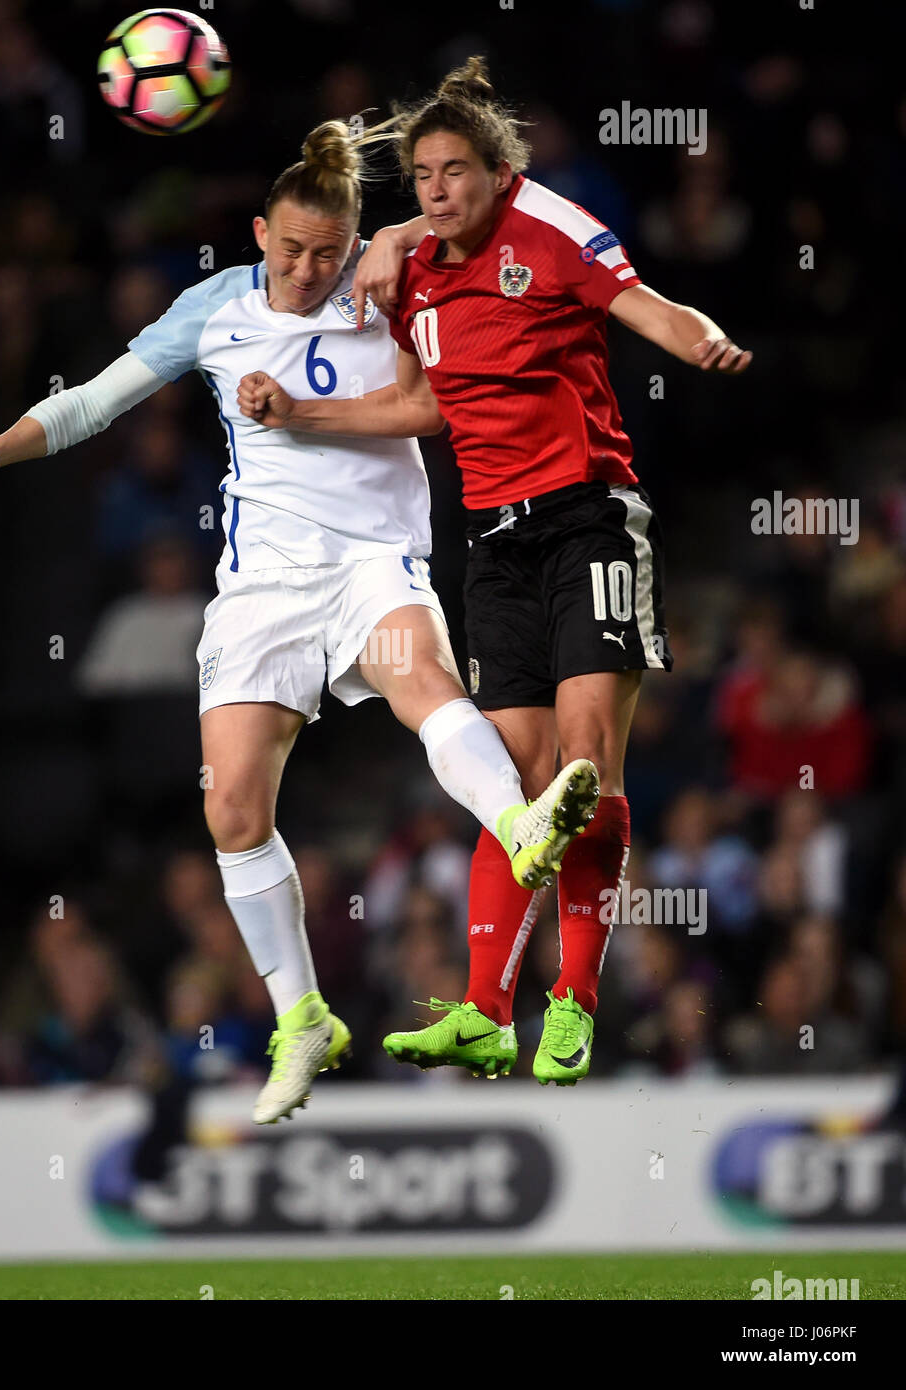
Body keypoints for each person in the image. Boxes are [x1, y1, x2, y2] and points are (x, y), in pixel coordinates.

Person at [0, 119, 599, 1123]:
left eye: (331, 249)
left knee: (425, 685)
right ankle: (301, 1015)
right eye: (290, 248)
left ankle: (520, 822)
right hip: (264, 586)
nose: (310, 268)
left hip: (374, 560)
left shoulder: (393, 278)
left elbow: (487, 214)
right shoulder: (214, 308)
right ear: (257, 231)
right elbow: (95, 402)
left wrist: (406, 236)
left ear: (355, 236)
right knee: (231, 808)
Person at [238, 59, 751, 1086]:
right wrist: (304, 415)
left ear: (496, 170)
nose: (435, 191)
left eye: (454, 172)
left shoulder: (549, 229)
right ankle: (482, 1010)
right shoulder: (413, 264)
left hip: (589, 520)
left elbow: (638, 301)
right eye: (421, 176)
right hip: (492, 545)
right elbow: (429, 404)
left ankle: (575, 1001)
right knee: (510, 788)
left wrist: (699, 337)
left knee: (586, 766)